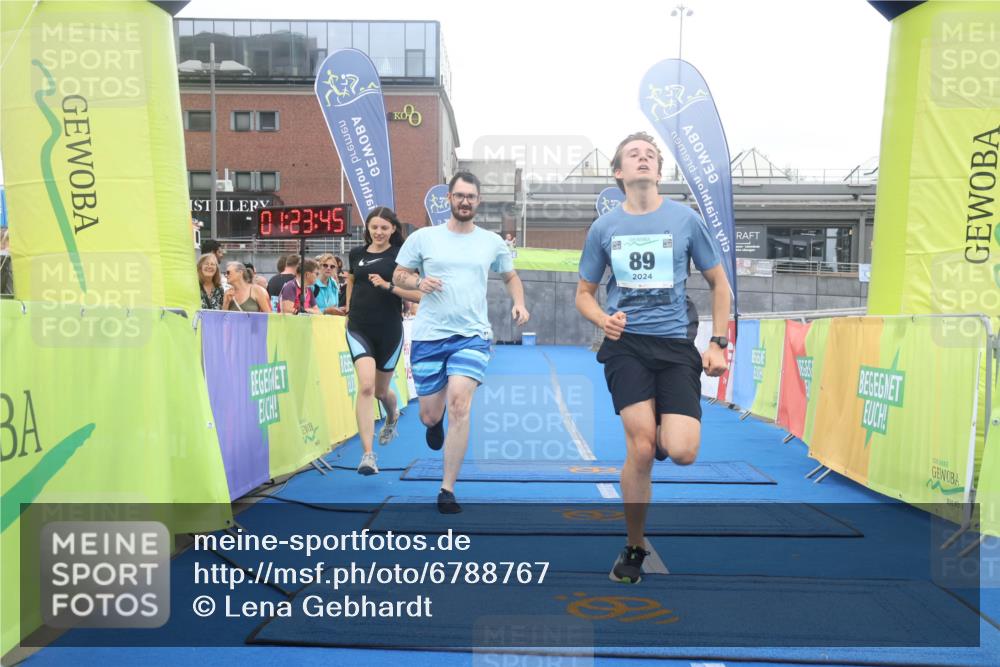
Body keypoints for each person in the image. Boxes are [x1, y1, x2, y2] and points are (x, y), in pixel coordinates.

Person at [576, 132, 731, 584]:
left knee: (680, 451)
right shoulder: (604, 229)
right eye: (633, 155)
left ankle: (666, 431)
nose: (643, 159)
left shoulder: (685, 220)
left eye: (651, 155)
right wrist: (603, 319)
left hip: (676, 345)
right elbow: (583, 294)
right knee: (640, 446)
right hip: (627, 346)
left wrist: (718, 342)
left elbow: (720, 285)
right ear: (619, 173)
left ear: (659, 172)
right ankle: (634, 545)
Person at [394, 172, 530, 513]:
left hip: (472, 335)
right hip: (428, 335)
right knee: (428, 415)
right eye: (459, 196)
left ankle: (447, 488)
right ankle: (434, 422)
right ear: (449, 199)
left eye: (471, 196)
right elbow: (399, 274)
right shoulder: (424, 238)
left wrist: (519, 301)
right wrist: (418, 281)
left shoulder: (491, 242)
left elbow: (510, 275)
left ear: (478, 201)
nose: (465, 201)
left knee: (460, 404)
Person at [346, 207, 422, 475]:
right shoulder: (356, 254)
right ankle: (368, 455)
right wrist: (347, 308)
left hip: (389, 329)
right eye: (374, 227)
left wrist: (388, 286)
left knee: (380, 392)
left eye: (384, 228)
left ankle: (392, 415)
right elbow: (352, 283)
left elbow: (418, 295)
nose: (378, 232)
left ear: (393, 230)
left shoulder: (400, 258)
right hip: (358, 327)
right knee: (365, 387)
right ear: (367, 228)